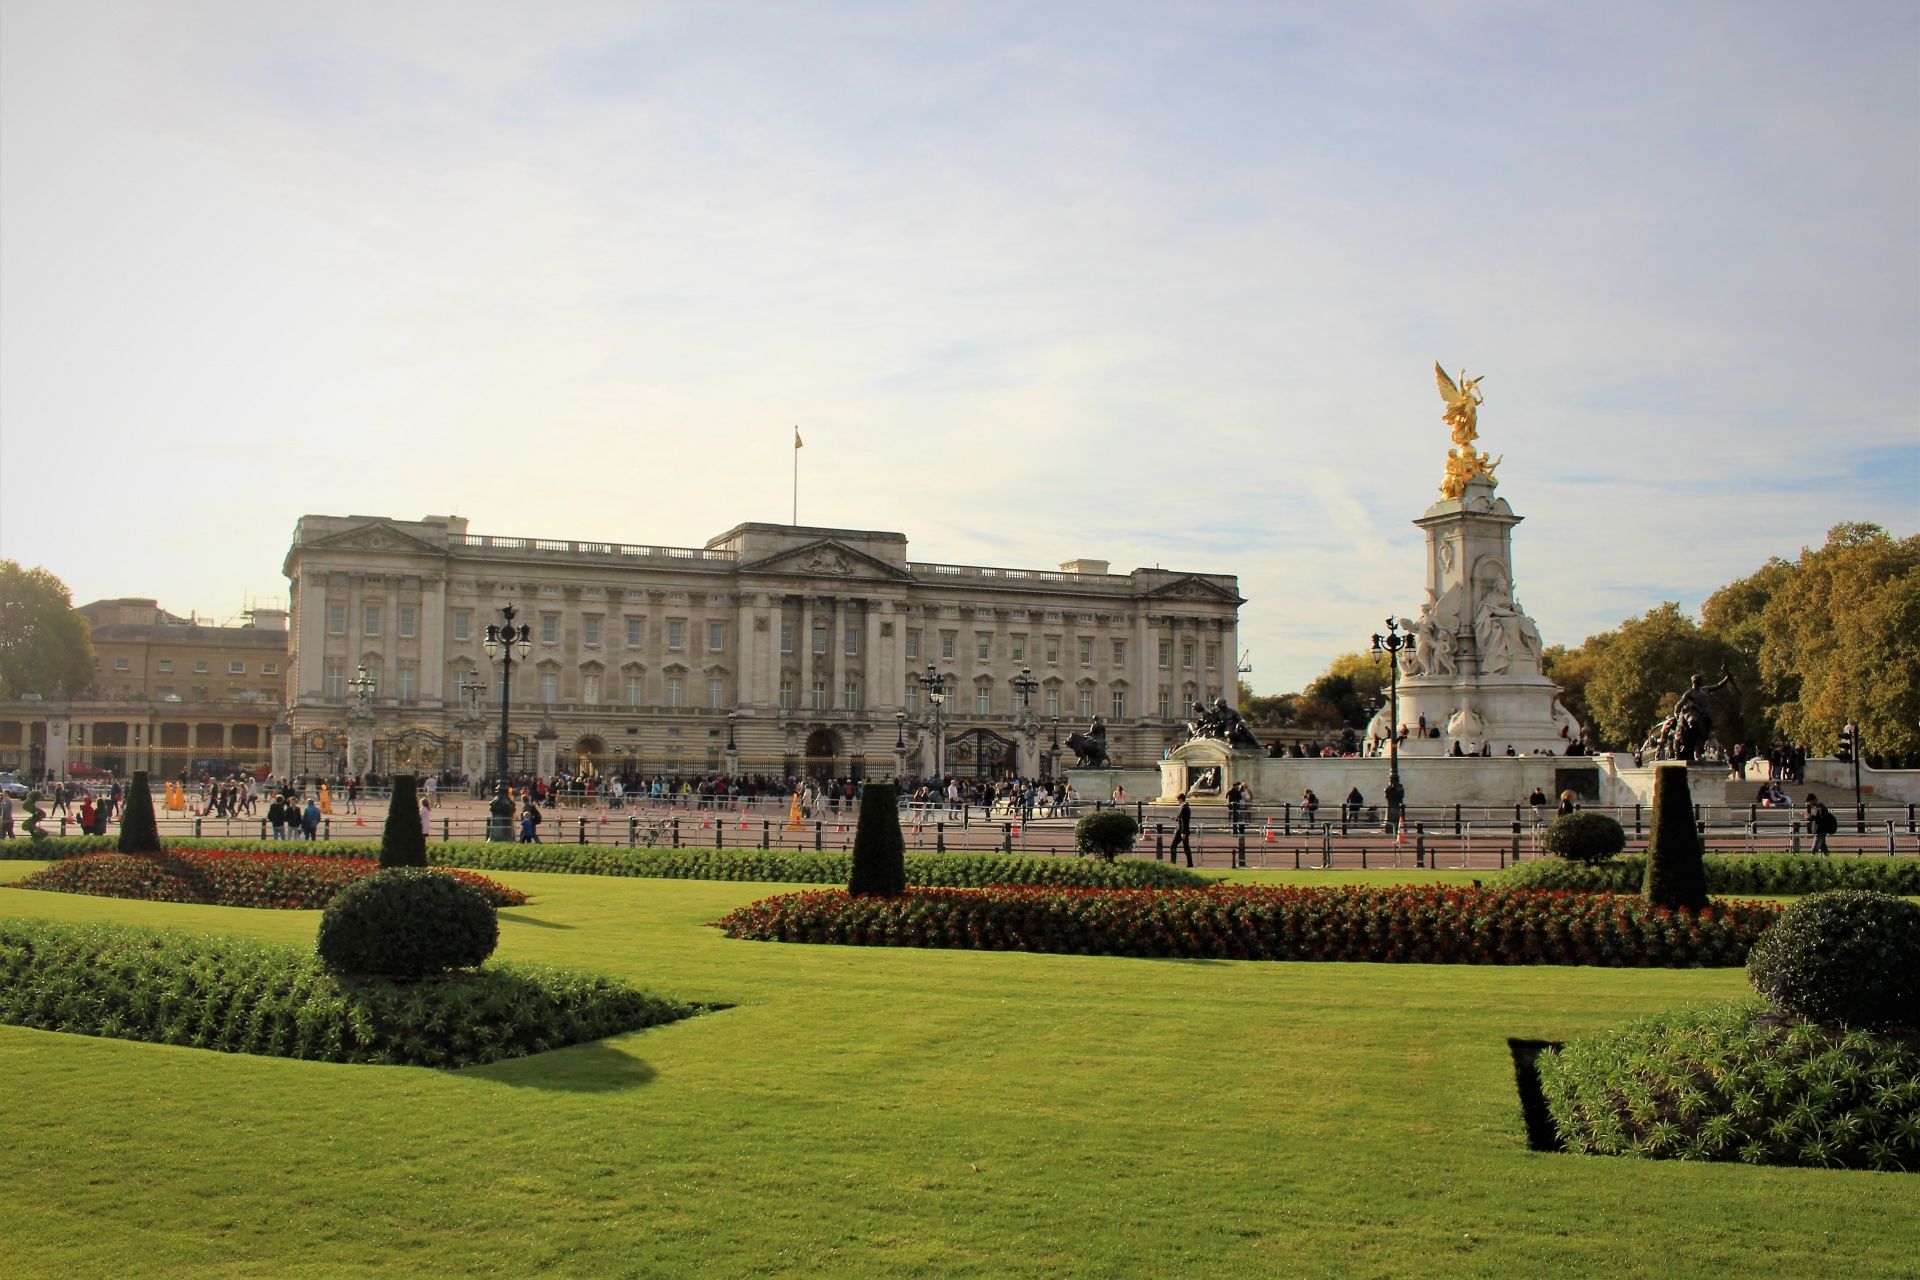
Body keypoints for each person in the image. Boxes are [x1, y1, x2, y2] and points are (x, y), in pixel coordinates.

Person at [1169, 792, 1194, 867]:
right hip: (1185, 830)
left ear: (1180, 800)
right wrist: (1176, 818)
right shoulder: (1186, 807)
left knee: (1173, 846)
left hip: (1181, 830)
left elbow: (1183, 822)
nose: (1177, 802)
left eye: (1177, 800)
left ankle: (1173, 863)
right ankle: (1190, 864)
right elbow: (1183, 819)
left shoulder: (1183, 808)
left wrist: (1183, 832)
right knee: (1186, 847)